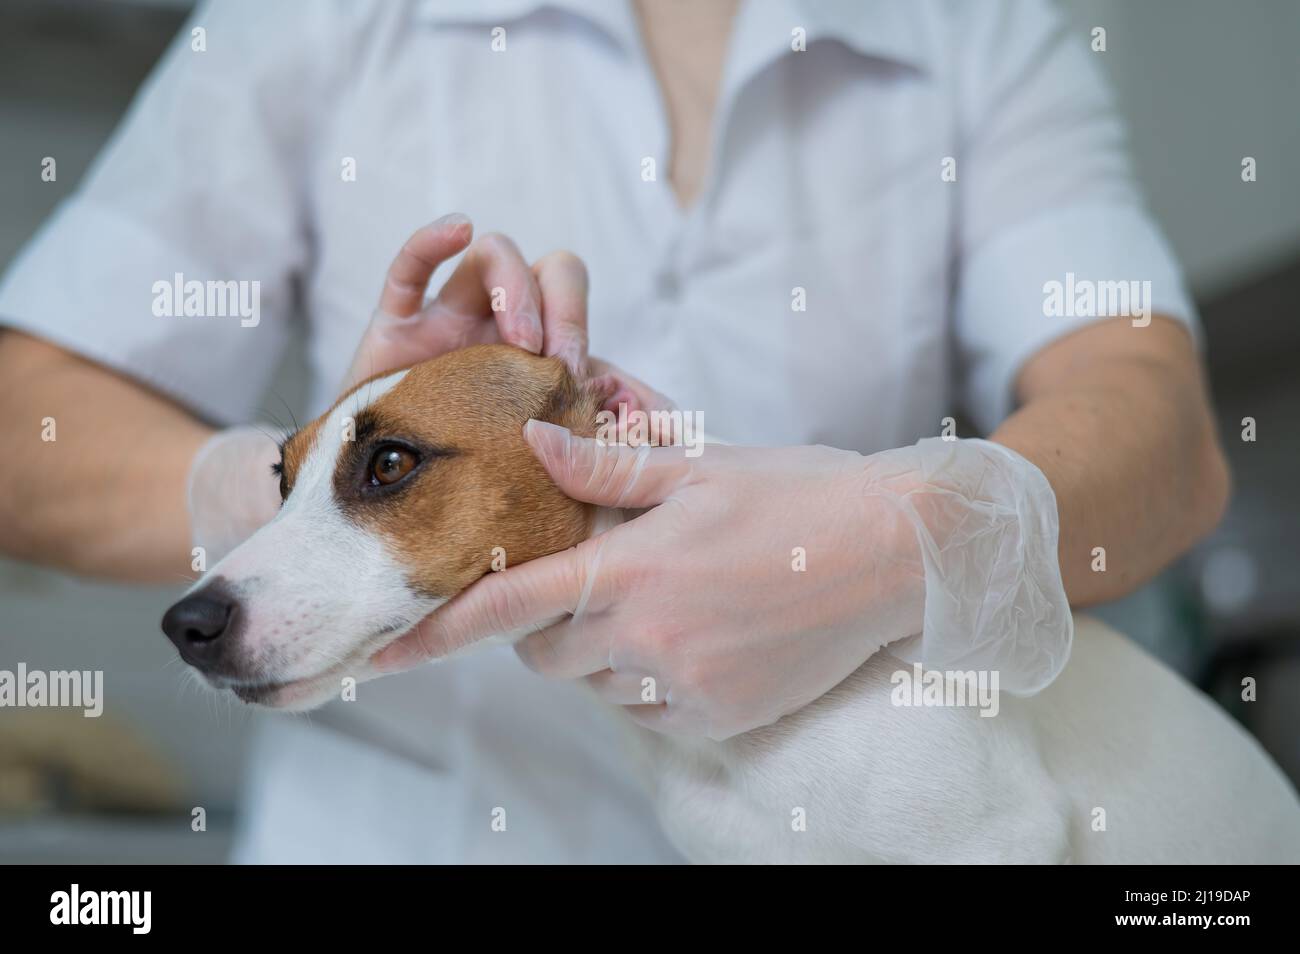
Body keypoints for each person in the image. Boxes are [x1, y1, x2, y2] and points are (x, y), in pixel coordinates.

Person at [0, 0, 1227, 863]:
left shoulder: (981, 35)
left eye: (383, 470)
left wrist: (902, 539)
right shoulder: (319, 15)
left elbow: (1164, 436)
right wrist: (266, 493)